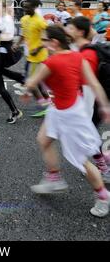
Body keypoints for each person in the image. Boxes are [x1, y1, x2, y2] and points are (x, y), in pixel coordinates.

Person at [25, 25, 110, 218]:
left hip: (68, 114)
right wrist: (104, 106)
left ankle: (103, 196)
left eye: (45, 40)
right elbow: (94, 83)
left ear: (54, 42)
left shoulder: (51, 61)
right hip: (66, 108)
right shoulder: (77, 55)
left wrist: (29, 89)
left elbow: (32, 82)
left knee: (81, 161)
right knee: (44, 140)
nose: (43, 43)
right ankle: (54, 177)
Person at [66, 16, 110, 182]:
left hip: (92, 101)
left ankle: (104, 168)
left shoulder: (87, 55)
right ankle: (103, 162)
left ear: (79, 31)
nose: (66, 30)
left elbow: (89, 87)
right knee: (88, 135)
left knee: (87, 134)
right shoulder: (77, 47)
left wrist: (83, 111)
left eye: (70, 28)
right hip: (91, 100)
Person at [14, 0, 52, 116]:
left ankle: (43, 106)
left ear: (35, 7)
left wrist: (39, 48)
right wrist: (17, 44)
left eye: (28, 7)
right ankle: (49, 103)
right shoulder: (24, 19)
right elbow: (24, 34)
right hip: (31, 56)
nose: (25, 9)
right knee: (39, 83)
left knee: (31, 83)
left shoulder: (40, 21)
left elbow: (47, 38)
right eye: (24, 7)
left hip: (40, 57)